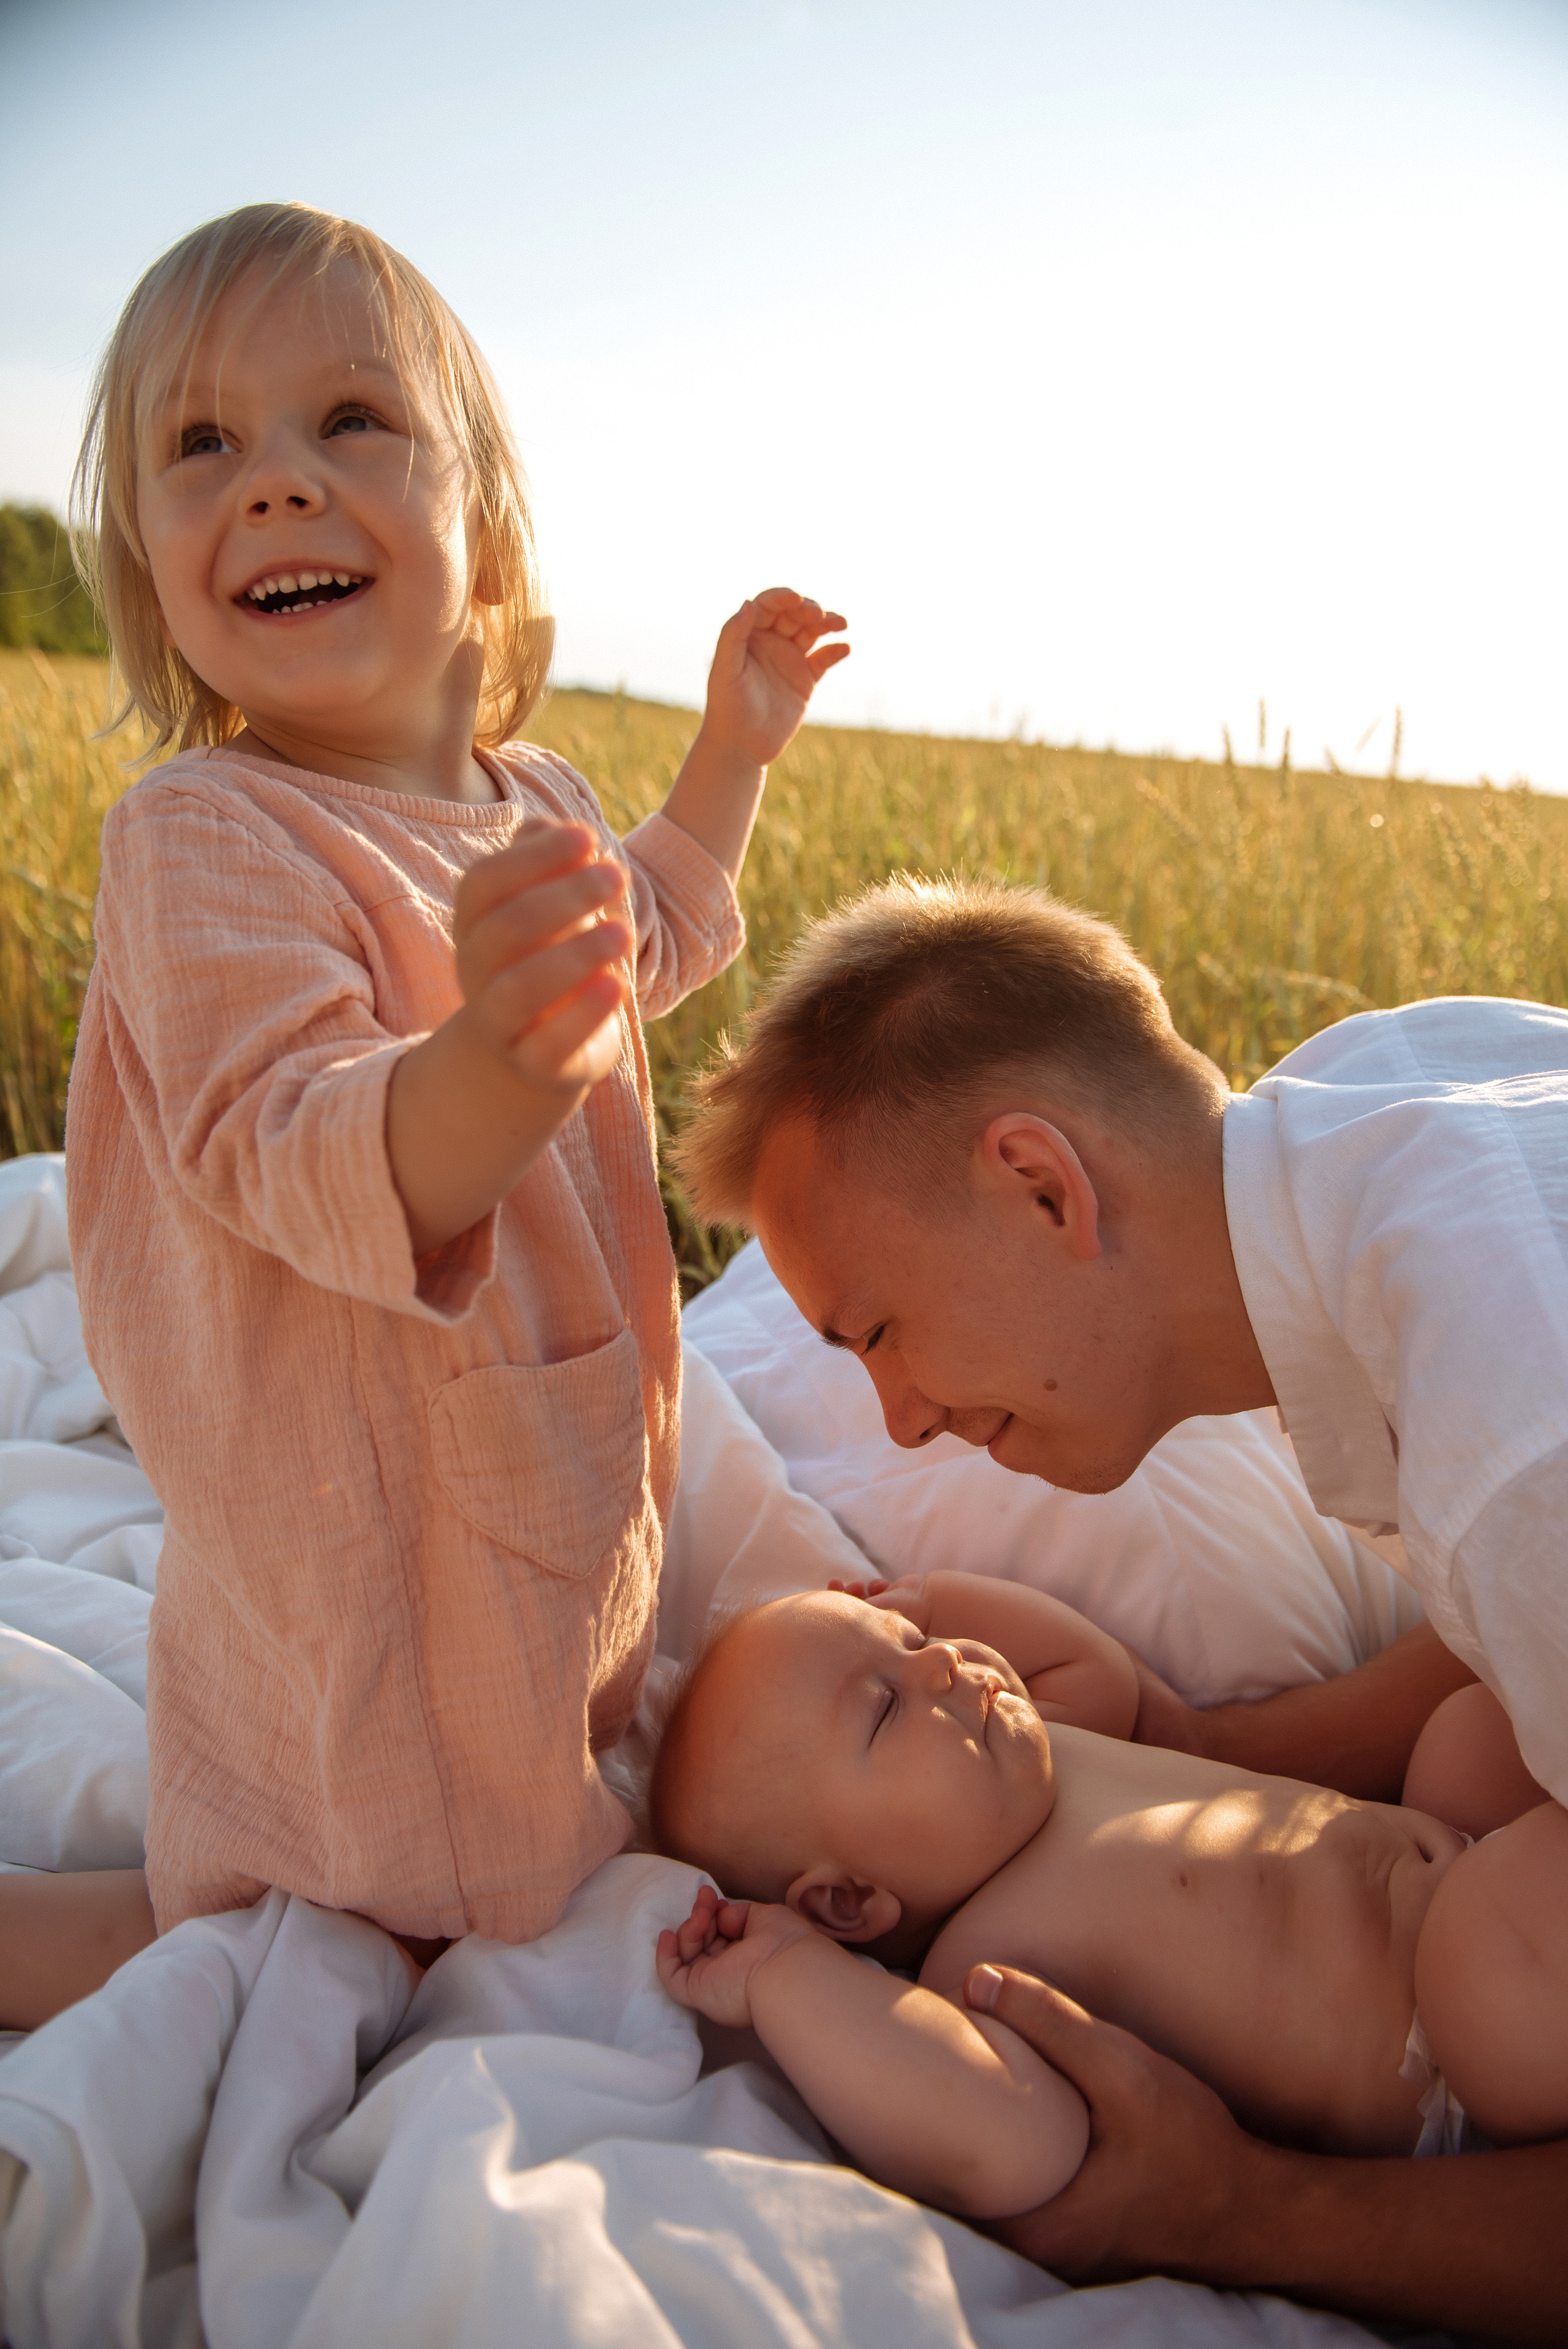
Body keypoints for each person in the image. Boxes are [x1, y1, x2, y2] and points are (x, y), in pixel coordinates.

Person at [6, 200, 848, 2002]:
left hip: (537, 1447)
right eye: (202, 445)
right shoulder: (206, 833)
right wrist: (492, 1061)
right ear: (149, 558)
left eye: (350, 423)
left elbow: (652, 935)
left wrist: (729, 759)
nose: (279, 485)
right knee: (345, 1891)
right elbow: (291, 1138)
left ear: (486, 521)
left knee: (525, 1709)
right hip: (364, 1494)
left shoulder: (518, 783)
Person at [673, 871, 1568, 2336]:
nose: (895, 1423)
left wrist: (1242, 2210)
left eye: (880, 1333)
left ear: (1042, 1184)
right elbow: (1497, 1619)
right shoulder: (1389, 1082)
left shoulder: (1516, 1442)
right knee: (1472, 1732)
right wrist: (1202, 1743)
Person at [649, 1572, 1560, 2218]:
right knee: (1503, 1927)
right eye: (885, 1705)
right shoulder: (985, 1973)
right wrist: (785, 1970)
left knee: (1470, 1728)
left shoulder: (1039, 1748)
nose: (948, 1665)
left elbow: (1094, 1667)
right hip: (1446, 2044)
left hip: (1456, 1858)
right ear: (848, 1902)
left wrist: (923, 1599)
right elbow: (1010, 2142)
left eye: (919, 1645)